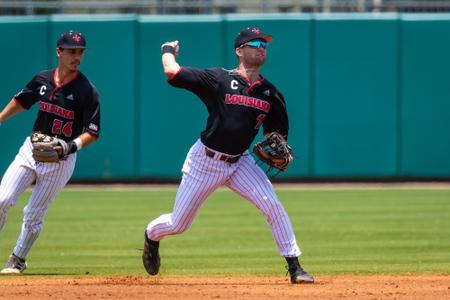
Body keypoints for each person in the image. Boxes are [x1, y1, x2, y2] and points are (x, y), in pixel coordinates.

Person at [142, 27, 313, 284]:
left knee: (272, 206)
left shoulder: (270, 94)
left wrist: (276, 148)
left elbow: (277, 136)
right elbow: (172, 71)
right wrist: (167, 51)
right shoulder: (219, 79)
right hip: (205, 161)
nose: (261, 47)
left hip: (240, 161)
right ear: (239, 50)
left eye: (264, 44)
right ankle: (151, 236)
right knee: (179, 224)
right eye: (255, 42)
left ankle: (295, 267)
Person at [0, 30, 101, 274]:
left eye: (80, 52)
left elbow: (93, 132)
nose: (76, 56)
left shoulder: (87, 91)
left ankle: (18, 259)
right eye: (71, 51)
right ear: (59, 52)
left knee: (33, 215)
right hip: (31, 149)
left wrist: (71, 145)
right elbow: (22, 100)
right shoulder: (42, 79)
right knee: (2, 200)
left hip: (60, 159)